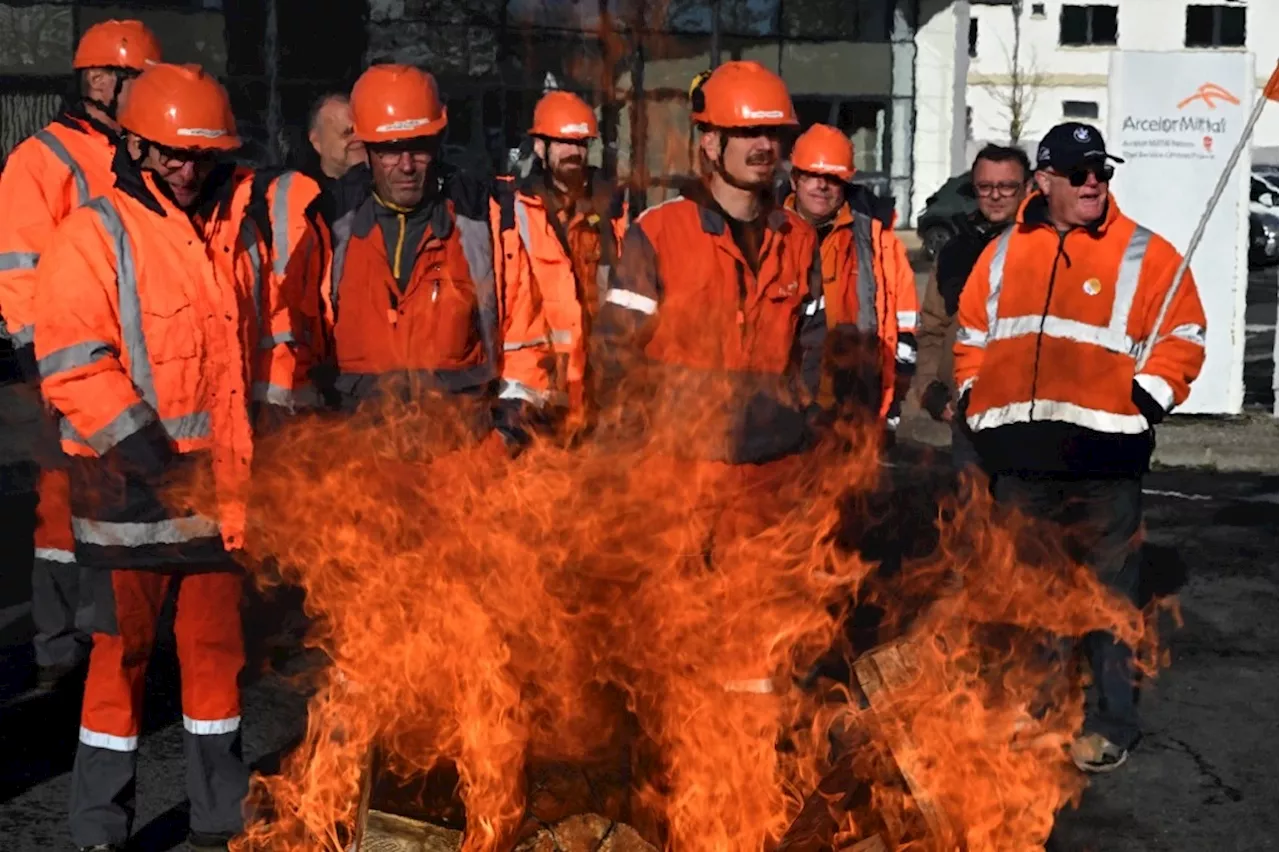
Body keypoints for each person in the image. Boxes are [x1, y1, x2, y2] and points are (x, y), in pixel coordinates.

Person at [34, 63, 257, 852]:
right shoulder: (94, 233)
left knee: (216, 665)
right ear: (133, 143)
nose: (186, 169)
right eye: (169, 153)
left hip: (216, 497)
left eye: (200, 155)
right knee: (116, 663)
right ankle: (99, 828)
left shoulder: (233, 230)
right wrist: (151, 454)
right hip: (130, 495)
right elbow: (70, 365)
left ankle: (218, 817)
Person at [953, 122, 1207, 772]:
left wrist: (1146, 400)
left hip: (1106, 465)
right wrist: (972, 400)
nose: (1093, 181)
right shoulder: (1005, 253)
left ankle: (1109, 723)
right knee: (1031, 597)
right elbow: (972, 332)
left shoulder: (1146, 253)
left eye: (1101, 170)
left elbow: (1184, 335)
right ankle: (1040, 715)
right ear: (1044, 182)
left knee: (1109, 603)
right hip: (1022, 465)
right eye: (1077, 171)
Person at [0, 19, 162, 693]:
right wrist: (44, 360)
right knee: (63, 504)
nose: (120, 86)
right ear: (89, 79)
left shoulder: (147, 151)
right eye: (111, 74)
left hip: (134, 357)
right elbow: (18, 266)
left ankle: (109, 633)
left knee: (118, 498)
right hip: (66, 359)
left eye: (133, 77)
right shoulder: (43, 159)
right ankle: (60, 639)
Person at [594, 59, 824, 472]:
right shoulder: (659, 233)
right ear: (712, 143)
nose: (764, 146)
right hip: (680, 465)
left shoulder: (800, 239)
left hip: (773, 466)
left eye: (773, 133)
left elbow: (813, 347)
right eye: (748, 132)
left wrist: (804, 418)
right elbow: (615, 350)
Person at [325, 64, 550, 448]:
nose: (407, 166)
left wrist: (504, 439)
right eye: (392, 151)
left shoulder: (485, 222)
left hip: (460, 471)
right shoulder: (330, 228)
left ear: (439, 144)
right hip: (358, 474)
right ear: (368, 150)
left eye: (419, 148)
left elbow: (526, 348)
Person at [492, 89, 629, 435]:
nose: (574, 152)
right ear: (540, 147)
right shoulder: (511, 210)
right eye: (563, 143)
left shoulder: (612, 210)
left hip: (595, 390)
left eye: (581, 143)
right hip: (528, 395)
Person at [783, 123, 919, 434]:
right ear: (795, 180)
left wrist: (890, 406)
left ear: (845, 183)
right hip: (780, 411)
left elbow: (905, 331)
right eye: (813, 176)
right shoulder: (764, 234)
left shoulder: (877, 241)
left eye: (833, 178)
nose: (822, 186)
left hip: (852, 415)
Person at [916, 144, 1031, 469]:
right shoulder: (956, 251)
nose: (995, 196)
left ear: (1028, 187)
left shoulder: (1048, 245)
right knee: (973, 513)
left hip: (1033, 420)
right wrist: (929, 389)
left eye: (1007, 186)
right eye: (985, 187)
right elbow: (934, 327)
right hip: (968, 414)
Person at [304, 92, 369, 226]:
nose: (358, 138)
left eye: (363, 130)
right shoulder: (303, 201)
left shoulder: (389, 188)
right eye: (347, 132)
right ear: (317, 141)